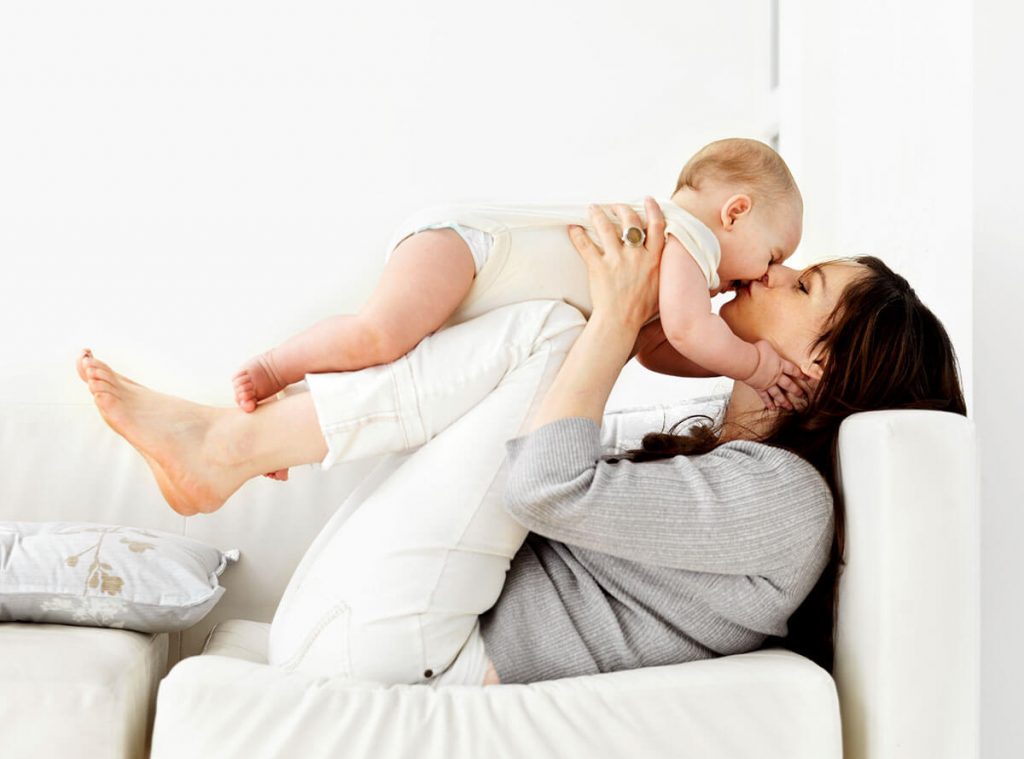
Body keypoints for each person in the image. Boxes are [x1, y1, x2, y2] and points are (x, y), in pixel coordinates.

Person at [75, 200, 965, 688]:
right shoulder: (730, 456)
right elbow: (515, 439)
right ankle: (235, 442)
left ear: (816, 368)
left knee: (552, 332)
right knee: (547, 328)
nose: (768, 270)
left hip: (403, 654)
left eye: (801, 282)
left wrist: (614, 320)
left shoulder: (787, 502)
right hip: (378, 623)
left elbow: (543, 483)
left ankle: (226, 448)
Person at [232, 138, 806, 450]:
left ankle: (278, 426)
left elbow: (657, 348)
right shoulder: (686, 235)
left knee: (393, 361)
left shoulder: (676, 272)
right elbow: (687, 331)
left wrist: (729, 372)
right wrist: (754, 363)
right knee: (377, 335)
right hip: (475, 249)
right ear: (735, 212)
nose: (764, 276)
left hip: (474, 266)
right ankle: (275, 365)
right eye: (774, 255)